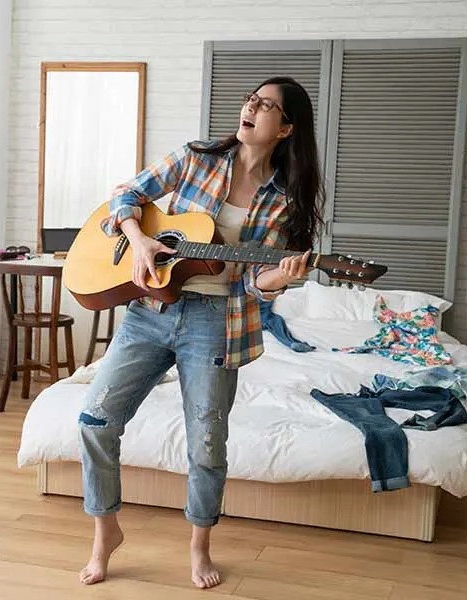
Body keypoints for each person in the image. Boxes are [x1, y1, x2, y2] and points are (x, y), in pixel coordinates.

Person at [77, 76, 325, 589]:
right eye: (250, 98)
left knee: (207, 445)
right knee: (94, 420)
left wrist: (280, 276)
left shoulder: (283, 201)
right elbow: (125, 197)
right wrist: (141, 241)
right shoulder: (195, 157)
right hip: (150, 312)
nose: (251, 107)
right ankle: (105, 534)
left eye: (266, 105)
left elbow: (258, 283)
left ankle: (199, 547)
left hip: (217, 326)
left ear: (286, 128)